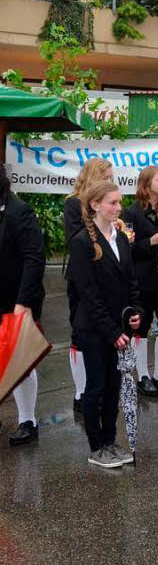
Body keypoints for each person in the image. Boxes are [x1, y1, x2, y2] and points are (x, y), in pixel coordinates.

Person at [67, 180, 143, 468]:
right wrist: (112, 332)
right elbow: (88, 294)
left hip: (118, 328)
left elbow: (131, 281)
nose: (118, 207)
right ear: (95, 204)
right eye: (112, 202)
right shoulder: (81, 242)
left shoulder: (120, 237)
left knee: (114, 386)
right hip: (95, 329)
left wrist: (136, 312)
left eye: (120, 202)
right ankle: (96, 446)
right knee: (95, 387)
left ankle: (111, 440)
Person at [64, 158, 114, 414]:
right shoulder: (74, 203)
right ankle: (80, 390)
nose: (110, 180)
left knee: (103, 328)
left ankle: (97, 384)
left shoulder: (110, 203)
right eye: (107, 175)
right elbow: (74, 239)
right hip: (82, 275)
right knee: (80, 330)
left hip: (107, 275)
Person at [0, 166, 45, 446]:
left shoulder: (19, 211)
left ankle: (28, 420)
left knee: (21, 363)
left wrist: (23, 302)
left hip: (16, 301)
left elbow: (34, 257)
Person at [124, 166, 158, 396]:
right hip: (144, 279)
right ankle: (142, 374)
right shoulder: (132, 213)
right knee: (142, 327)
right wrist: (149, 242)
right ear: (146, 184)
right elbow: (126, 247)